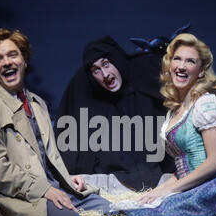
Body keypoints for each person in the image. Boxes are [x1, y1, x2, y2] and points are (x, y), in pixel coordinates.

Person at [0, 28, 110, 216]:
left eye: (12, 55)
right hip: (24, 199)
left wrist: (66, 179)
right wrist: (43, 190)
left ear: (25, 60)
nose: (6, 62)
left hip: (55, 189)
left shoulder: (37, 103)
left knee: (113, 213)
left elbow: (47, 158)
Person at [110, 33, 216, 216]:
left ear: (201, 71)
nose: (182, 66)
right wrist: (158, 191)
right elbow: (183, 166)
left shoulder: (207, 104)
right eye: (177, 59)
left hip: (213, 189)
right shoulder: (176, 111)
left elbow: (214, 162)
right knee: (135, 206)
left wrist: (169, 189)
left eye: (190, 61)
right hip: (191, 188)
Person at [55, 36, 176, 191]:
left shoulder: (146, 88)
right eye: (96, 70)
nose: (105, 74)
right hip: (113, 185)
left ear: (116, 60)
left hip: (162, 180)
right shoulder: (92, 104)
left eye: (106, 64)